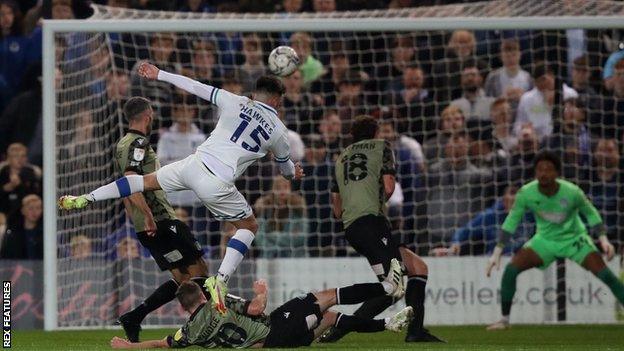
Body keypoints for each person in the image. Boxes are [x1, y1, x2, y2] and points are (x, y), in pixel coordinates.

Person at [58, 63, 305, 317]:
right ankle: (220, 281)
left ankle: (87, 197)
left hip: (193, 165)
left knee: (143, 181)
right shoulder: (279, 131)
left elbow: (195, 86)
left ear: (255, 94)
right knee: (248, 226)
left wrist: (159, 74)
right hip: (217, 183)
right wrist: (293, 173)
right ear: (276, 100)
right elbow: (286, 171)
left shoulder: (235, 101)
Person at [100, 97, 209, 343]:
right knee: (199, 270)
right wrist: (148, 215)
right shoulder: (138, 142)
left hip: (146, 224)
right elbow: (130, 180)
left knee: (183, 278)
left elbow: (125, 188)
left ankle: (134, 317)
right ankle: (204, 328)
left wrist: (139, 218)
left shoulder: (123, 143)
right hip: (159, 219)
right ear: (147, 115)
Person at [325, 115, 442, 343]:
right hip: (372, 222)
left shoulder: (340, 159)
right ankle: (338, 330)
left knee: (418, 267)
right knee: (393, 288)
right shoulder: (382, 147)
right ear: (376, 133)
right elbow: (389, 187)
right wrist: (375, 200)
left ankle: (416, 331)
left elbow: (336, 211)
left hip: (356, 227)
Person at [485, 151, 624, 330]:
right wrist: (497, 252)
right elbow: (511, 221)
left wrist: (603, 240)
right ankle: (504, 320)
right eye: (540, 169)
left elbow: (591, 214)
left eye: (548, 169)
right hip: (545, 240)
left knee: (606, 275)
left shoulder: (572, 192)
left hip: (575, 239)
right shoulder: (526, 193)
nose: (543, 173)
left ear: (557, 173)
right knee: (511, 270)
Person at [110, 267, 411, 349]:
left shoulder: (190, 332)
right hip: (274, 330)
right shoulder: (220, 303)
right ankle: (387, 288)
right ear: (203, 295)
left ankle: (387, 324)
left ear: (184, 309)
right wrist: (262, 292)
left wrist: (128, 347)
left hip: (269, 341)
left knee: (330, 317)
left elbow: (163, 344)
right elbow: (255, 310)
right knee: (325, 298)